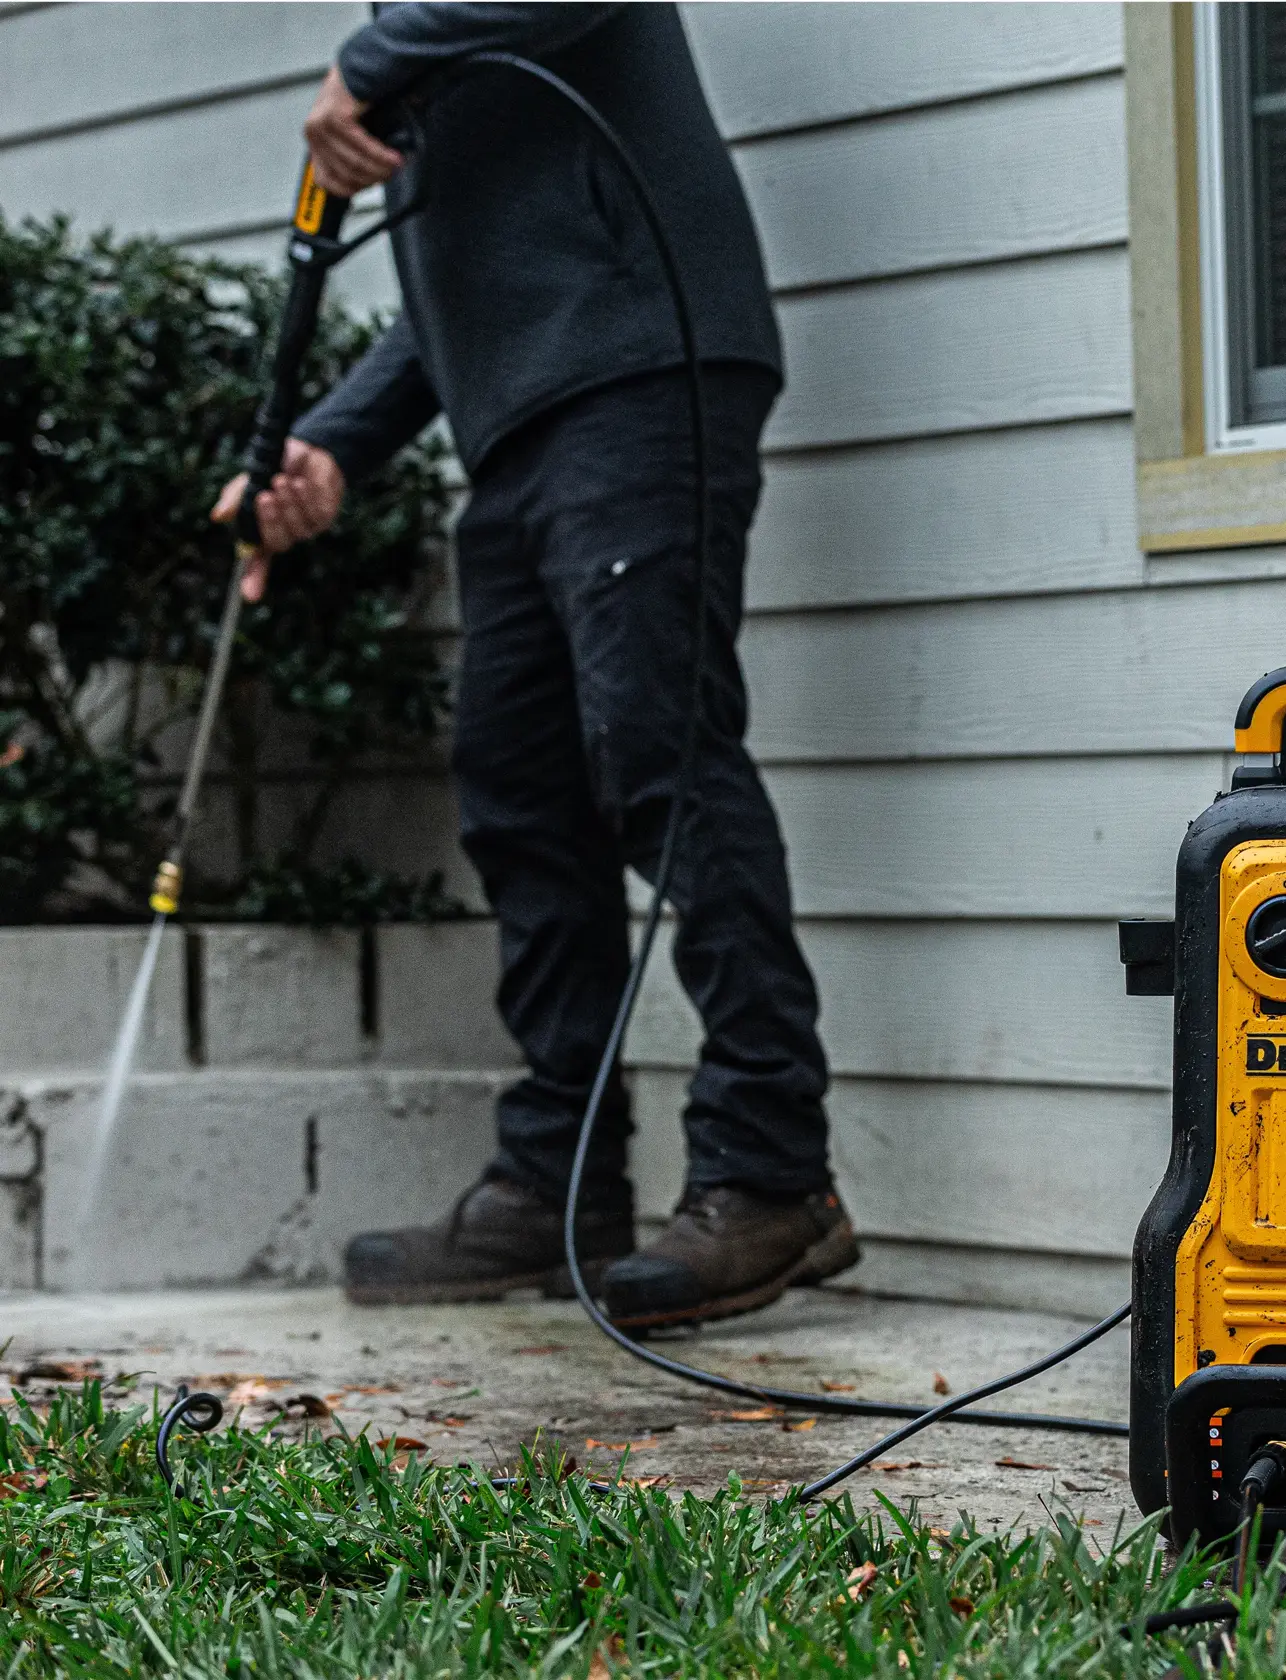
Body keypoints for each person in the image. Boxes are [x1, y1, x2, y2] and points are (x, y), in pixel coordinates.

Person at [212, 3, 857, 1329]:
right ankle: (560, 1180)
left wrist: (373, 66)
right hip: (525, 421)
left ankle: (771, 1167)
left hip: (639, 367)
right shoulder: (435, 28)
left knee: (654, 751)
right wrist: (333, 443)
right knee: (516, 785)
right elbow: (461, 292)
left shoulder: (430, 31)